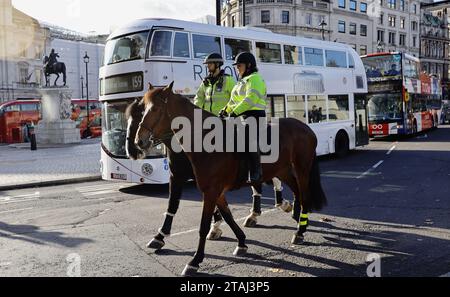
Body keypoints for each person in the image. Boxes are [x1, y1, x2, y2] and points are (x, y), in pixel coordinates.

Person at [220, 52, 267, 184]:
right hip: (241, 115)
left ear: (249, 65)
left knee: (248, 138)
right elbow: (233, 101)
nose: (237, 68)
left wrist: (234, 112)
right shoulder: (240, 83)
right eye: (236, 66)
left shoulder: (255, 78)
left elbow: (251, 99)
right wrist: (225, 111)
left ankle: (257, 171)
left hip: (255, 115)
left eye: (239, 65)